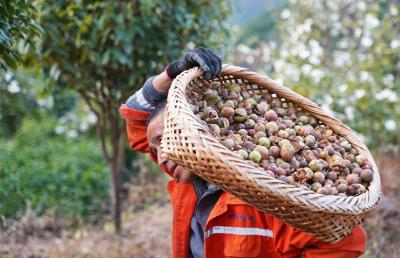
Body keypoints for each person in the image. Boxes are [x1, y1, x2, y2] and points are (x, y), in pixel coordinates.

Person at [120, 47, 366, 258]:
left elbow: (344, 243)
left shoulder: (270, 196)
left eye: (164, 139)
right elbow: (135, 118)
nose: (161, 154)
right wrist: (170, 74)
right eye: (155, 148)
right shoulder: (186, 173)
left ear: (194, 127)